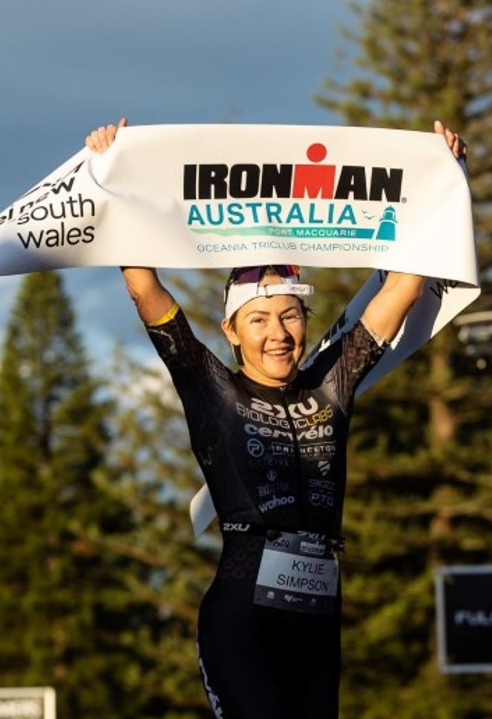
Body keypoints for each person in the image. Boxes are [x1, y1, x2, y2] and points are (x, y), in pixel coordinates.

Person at [85, 117, 468, 719]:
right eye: (259, 320)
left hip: (317, 618)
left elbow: (402, 289)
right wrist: (116, 172)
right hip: (242, 615)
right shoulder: (211, 389)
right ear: (231, 332)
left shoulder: (332, 385)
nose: (279, 334)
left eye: (290, 317)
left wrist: (438, 179)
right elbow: (144, 289)